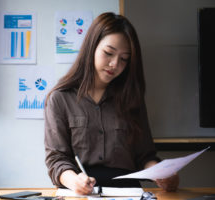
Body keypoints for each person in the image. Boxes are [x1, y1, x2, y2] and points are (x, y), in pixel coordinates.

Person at [44, 12, 179, 195]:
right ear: (91, 47)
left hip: (128, 193)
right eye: (108, 53)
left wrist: (162, 174)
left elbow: (145, 155)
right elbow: (57, 159)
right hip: (80, 192)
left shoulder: (132, 99)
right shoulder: (60, 98)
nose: (114, 64)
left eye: (124, 59)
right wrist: (74, 180)